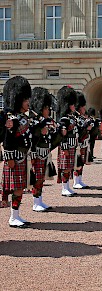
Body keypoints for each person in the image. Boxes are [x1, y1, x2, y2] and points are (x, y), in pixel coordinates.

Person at [1, 76, 32, 227]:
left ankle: (16, 215)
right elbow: (7, 140)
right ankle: (13, 217)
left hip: (23, 157)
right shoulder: (12, 118)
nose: (28, 103)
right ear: (19, 99)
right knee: (17, 189)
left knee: (19, 189)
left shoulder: (23, 117)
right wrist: (10, 158)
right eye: (26, 99)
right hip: (15, 158)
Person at [30, 87, 62, 211]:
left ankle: (39, 200)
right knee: (37, 178)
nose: (48, 110)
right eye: (46, 108)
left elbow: (52, 139)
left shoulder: (46, 121)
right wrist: (40, 130)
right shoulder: (34, 121)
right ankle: (35, 202)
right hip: (37, 153)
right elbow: (32, 138)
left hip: (45, 152)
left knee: (41, 178)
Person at [56, 85, 78, 197]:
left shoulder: (71, 117)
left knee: (69, 167)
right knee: (65, 167)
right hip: (67, 145)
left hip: (72, 144)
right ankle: (64, 188)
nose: (75, 106)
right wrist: (64, 148)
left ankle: (67, 186)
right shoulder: (64, 119)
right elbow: (62, 135)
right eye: (73, 104)